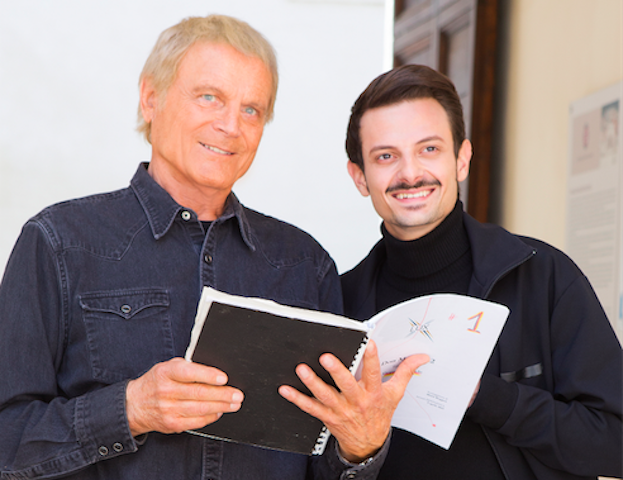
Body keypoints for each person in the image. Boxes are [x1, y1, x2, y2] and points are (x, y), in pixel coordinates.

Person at [0, 16, 427, 480]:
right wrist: (130, 409)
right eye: (210, 97)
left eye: (252, 110)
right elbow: (7, 440)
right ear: (151, 98)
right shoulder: (59, 243)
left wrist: (360, 449)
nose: (230, 125)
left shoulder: (306, 265)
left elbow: (322, 465)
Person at [341, 64, 623, 480]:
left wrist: (486, 396)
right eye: (386, 156)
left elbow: (614, 445)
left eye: (429, 149)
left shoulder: (544, 277)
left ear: (462, 159)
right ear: (360, 177)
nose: (410, 173)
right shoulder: (338, 301)